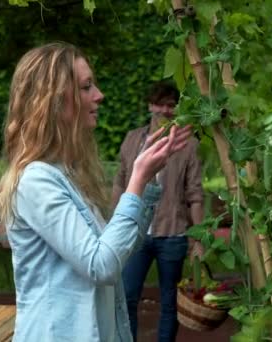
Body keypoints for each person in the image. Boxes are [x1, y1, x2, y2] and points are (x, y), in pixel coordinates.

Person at [0, 42, 192, 342]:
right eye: (86, 87)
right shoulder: (36, 181)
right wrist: (136, 180)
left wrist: (147, 184)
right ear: (53, 101)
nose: (99, 95)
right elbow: (102, 265)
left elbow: (117, 250)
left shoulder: (66, 174)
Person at [112, 81, 205, 342]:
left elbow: (195, 194)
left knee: (169, 303)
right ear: (150, 105)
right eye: (159, 104)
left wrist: (198, 240)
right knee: (127, 296)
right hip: (134, 233)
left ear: (177, 109)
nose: (165, 110)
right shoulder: (133, 139)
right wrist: (113, 221)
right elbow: (120, 181)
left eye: (171, 105)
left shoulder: (189, 145)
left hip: (172, 234)